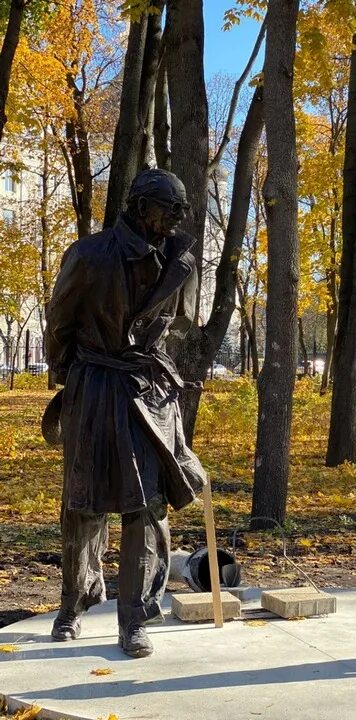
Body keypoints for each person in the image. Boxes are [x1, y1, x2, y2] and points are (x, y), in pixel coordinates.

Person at [44, 168, 207, 658]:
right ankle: (73, 602)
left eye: (181, 208)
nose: (178, 216)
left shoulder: (182, 260)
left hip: (149, 391)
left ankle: (135, 617)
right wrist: (72, 376)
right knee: (83, 504)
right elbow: (59, 324)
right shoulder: (90, 254)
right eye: (169, 206)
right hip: (95, 387)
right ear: (139, 206)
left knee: (146, 506)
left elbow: (179, 325)